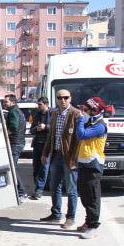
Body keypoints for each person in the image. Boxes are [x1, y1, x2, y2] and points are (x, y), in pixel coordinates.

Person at [40, 89, 81, 228]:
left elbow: (78, 139)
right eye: (59, 97)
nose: (63, 100)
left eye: (65, 97)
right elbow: (51, 136)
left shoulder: (76, 114)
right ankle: (56, 214)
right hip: (56, 155)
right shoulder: (55, 113)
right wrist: (45, 153)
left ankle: (70, 217)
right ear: (56, 99)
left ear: (70, 98)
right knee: (54, 185)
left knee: (71, 188)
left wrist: (75, 157)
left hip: (69, 157)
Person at [75, 96, 108, 239]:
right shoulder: (91, 122)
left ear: (94, 111)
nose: (84, 112)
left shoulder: (99, 125)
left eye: (86, 110)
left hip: (93, 165)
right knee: (85, 195)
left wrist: (81, 119)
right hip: (84, 163)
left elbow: (82, 135)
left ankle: (93, 226)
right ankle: (88, 222)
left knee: (93, 196)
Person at [2, 94, 27, 201]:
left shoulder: (13, 112)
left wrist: (5, 134)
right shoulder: (17, 111)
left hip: (15, 143)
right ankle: (18, 191)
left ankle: (21, 191)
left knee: (13, 168)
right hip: (19, 142)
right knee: (13, 167)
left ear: (13, 102)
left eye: (6, 102)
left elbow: (14, 128)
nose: (4, 103)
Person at [29, 97, 51, 200]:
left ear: (46, 104)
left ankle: (39, 190)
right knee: (36, 167)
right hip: (37, 144)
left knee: (44, 167)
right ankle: (37, 187)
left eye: (40, 104)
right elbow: (31, 130)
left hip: (47, 145)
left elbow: (55, 128)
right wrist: (36, 129)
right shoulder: (37, 115)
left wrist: (45, 127)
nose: (38, 106)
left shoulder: (52, 114)